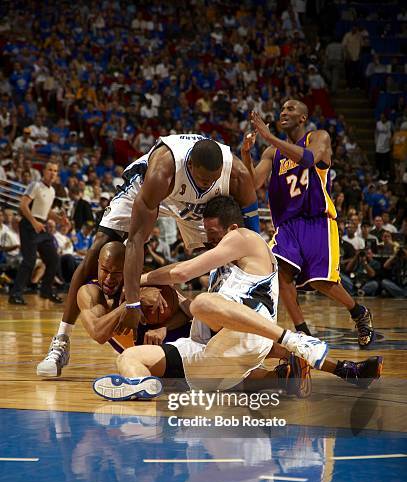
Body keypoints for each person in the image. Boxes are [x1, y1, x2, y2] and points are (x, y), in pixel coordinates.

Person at [93, 197, 382, 401]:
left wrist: (140, 278)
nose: (210, 240)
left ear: (231, 228)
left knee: (203, 304)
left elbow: (181, 271)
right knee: (129, 357)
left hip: (246, 338)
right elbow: (181, 283)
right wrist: (144, 288)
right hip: (213, 353)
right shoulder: (228, 261)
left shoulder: (245, 237)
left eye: (214, 233)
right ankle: (141, 386)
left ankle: (296, 342)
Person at [37, 135, 260, 377]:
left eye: (212, 179)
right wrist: (132, 304)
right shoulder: (162, 169)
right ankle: (61, 342)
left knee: (226, 250)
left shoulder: (237, 176)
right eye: (203, 179)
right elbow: (135, 241)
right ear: (190, 166)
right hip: (150, 189)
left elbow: (253, 243)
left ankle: (233, 333)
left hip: (196, 206)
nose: (207, 184)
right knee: (98, 249)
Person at [81, 239, 309, 398]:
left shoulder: (154, 285)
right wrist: (132, 303)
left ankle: (290, 356)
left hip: (190, 344)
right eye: (104, 270)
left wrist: (163, 327)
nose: (109, 278)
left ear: (131, 270)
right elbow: (98, 332)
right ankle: (281, 375)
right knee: (224, 380)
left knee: (227, 352)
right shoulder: (91, 293)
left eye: (117, 273)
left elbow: (189, 309)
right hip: (171, 356)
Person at [241, 100, 375, 349]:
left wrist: (268, 136)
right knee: (282, 272)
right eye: (281, 109)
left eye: (290, 109)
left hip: (316, 220)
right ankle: (303, 332)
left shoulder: (319, 137)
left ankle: (358, 312)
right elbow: (252, 184)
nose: (283, 112)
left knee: (319, 281)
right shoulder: (273, 153)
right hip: (288, 224)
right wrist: (246, 154)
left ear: (303, 118)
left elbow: (308, 159)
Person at [9, 161, 63, 305]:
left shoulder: (52, 191)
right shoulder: (35, 185)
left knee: (53, 259)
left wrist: (59, 219)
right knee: (29, 261)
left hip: (42, 226)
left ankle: (46, 291)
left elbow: (46, 211)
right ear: (44, 171)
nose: (53, 173)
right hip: (29, 225)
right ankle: (15, 294)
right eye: (50, 169)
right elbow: (23, 205)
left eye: (55, 171)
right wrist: (34, 222)